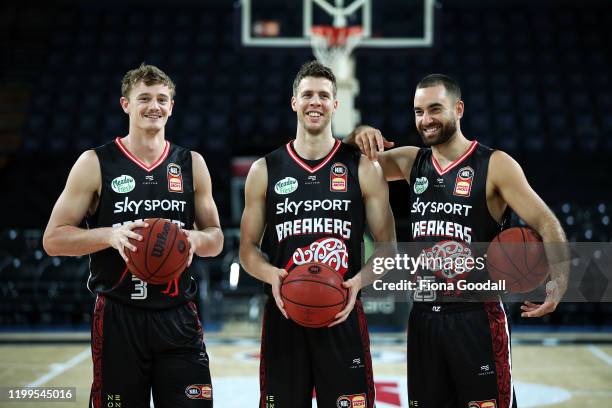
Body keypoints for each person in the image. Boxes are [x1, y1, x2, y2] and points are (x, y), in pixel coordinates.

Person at [346, 74, 569, 408]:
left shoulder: (495, 164)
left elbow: (546, 222)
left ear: (458, 109)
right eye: (419, 111)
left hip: (476, 316)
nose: (426, 119)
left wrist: (560, 282)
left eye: (435, 109)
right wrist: (357, 133)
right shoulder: (412, 162)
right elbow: (348, 164)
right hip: (422, 317)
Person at [42, 64, 223, 408]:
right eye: (144, 98)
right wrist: (111, 236)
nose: (154, 106)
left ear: (171, 106)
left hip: (177, 314)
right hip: (118, 315)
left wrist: (193, 240)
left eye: (161, 99)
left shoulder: (191, 163)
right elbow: (53, 238)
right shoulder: (95, 162)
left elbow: (215, 238)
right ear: (126, 104)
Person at [239, 60, 396, 408]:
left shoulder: (362, 168)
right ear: (294, 101)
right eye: (307, 94)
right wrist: (272, 276)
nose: (315, 101)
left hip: (342, 314)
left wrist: (358, 282)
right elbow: (247, 250)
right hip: (284, 317)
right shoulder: (264, 170)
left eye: (324, 95)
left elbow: (388, 249)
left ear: (335, 105)